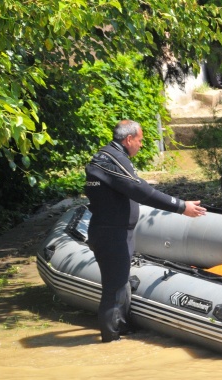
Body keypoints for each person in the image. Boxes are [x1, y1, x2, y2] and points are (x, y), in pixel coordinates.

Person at [85, 120, 207, 342]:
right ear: (129, 139)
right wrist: (181, 206)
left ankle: (119, 330)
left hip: (114, 232)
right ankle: (110, 342)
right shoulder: (114, 161)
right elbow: (142, 192)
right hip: (112, 235)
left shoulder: (107, 157)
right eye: (140, 140)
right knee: (113, 290)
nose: (141, 145)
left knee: (119, 285)